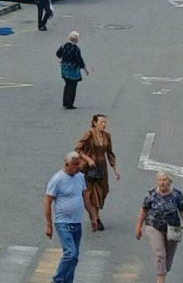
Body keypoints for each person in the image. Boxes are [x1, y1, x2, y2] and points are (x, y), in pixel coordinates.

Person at [135, 171, 183, 283]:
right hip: (153, 226)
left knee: (168, 260)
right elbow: (144, 210)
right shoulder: (151, 193)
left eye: (164, 180)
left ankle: (163, 272)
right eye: (160, 180)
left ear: (170, 182)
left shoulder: (177, 195)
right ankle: (161, 279)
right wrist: (139, 227)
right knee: (160, 254)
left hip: (173, 228)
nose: (162, 183)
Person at [44, 151, 89, 283]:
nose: (78, 167)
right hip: (63, 222)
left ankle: (68, 281)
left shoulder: (80, 177)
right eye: (75, 164)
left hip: (76, 222)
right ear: (67, 164)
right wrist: (48, 224)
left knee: (74, 257)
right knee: (71, 253)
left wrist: (93, 217)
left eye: (79, 164)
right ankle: (57, 280)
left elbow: (86, 198)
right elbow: (47, 201)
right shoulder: (57, 179)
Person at [75, 114, 120, 232]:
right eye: (101, 122)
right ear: (95, 123)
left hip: (102, 168)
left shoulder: (107, 136)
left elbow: (110, 153)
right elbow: (78, 149)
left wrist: (115, 169)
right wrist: (88, 159)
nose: (104, 124)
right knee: (91, 193)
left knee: (103, 192)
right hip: (90, 168)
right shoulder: (89, 134)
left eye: (105, 122)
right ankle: (96, 218)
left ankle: (95, 214)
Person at [56, 31, 89, 109]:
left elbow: (58, 54)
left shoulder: (63, 46)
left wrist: (63, 58)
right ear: (76, 39)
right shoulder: (76, 49)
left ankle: (65, 102)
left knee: (67, 85)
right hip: (73, 70)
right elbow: (79, 60)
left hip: (64, 68)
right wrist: (85, 69)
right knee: (73, 86)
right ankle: (70, 104)